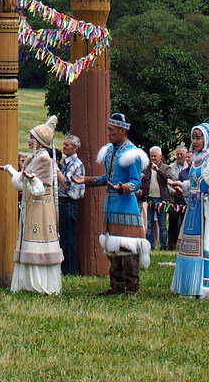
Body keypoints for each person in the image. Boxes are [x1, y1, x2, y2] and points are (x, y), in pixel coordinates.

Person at [72, 112, 149, 296]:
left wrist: (123, 187)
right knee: (112, 249)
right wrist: (87, 180)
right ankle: (116, 287)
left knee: (128, 249)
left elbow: (136, 182)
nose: (108, 133)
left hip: (126, 207)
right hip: (111, 206)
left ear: (123, 130)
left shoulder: (132, 154)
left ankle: (131, 289)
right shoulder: (111, 152)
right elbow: (108, 178)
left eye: (111, 130)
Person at [0, 116, 63, 295]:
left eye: (32, 138)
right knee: (29, 240)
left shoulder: (44, 160)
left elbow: (40, 189)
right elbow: (21, 183)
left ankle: (40, 284)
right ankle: (28, 283)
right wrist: (9, 169)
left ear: (39, 142)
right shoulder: (32, 159)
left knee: (37, 241)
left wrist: (32, 180)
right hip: (31, 206)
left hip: (40, 208)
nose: (28, 140)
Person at [170, 123, 209, 299]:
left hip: (207, 210)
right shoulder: (196, 161)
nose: (195, 141)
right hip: (194, 209)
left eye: (199, 138)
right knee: (190, 246)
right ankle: (190, 284)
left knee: (205, 245)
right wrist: (181, 186)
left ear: (207, 139)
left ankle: (207, 286)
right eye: (194, 138)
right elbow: (194, 183)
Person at [56, 133, 84, 276]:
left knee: (69, 238)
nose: (64, 147)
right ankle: (65, 268)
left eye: (67, 145)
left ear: (75, 148)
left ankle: (72, 270)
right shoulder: (66, 162)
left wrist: (57, 169)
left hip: (69, 203)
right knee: (63, 238)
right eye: (64, 144)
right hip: (63, 202)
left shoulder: (76, 164)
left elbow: (67, 185)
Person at [144, 145, 173, 251]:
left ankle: (164, 246)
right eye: (151, 156)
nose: (153, 159)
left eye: (155, 156)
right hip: (150, 199)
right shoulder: (147, 168)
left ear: (160, 156)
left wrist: (158, 171)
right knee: (149, 224)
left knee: (162, 225)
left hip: (162, 199)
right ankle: (150, 246)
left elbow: (168, 179)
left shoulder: (166, 168)